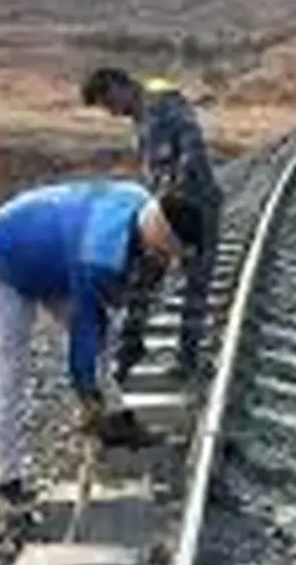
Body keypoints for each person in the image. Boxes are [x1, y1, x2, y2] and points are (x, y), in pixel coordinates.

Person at [0, 178, 203, 504]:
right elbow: (85, 332)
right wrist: (88, 397)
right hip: (1, 257)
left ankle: (116, 423)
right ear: (153, 240)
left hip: (57, 252)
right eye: (163, 256)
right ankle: (6, 478)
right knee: (10, 367)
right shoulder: (100, 256)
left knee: (105, 335)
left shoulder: (140, 202)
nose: (164, 266)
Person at [80, 67, 223, 383]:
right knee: (145, 276)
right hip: (162, 208)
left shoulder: (164, 102)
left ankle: (187, 360)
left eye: (108, 102)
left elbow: (193, 148)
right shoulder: (140, 115)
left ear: (120, 85)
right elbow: (156, 165)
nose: (111, 112)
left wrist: (174, 201)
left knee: (194, 284)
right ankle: (131, 348)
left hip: (195, 208)